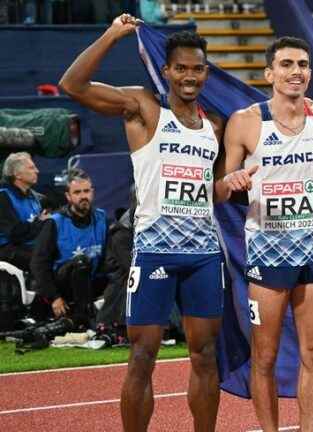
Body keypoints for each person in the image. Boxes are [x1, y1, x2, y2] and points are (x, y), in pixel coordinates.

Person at [59, 15, 225, 432]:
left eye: (198, 69)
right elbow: (72, 86)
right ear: (166, 70)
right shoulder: (143, 108)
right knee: (142, 354)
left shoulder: (215, 126)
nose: (190, 76)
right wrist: (112, 34)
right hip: (154, 251)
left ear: (207, 72)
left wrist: (231, 184)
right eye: (181, 68)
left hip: (204, 255)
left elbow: (214, 189)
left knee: (205, 354)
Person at [215, 36, 313, 432]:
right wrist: (231, 180)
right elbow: (218, 189)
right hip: (267, 254)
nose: (295, 71)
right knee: (264, 357)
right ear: (269, 74)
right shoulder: (246, 121)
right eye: (286, 64)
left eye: (302, 64)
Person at [30, 168, 108, 327]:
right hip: (63, 284)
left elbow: (108, 258)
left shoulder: (101, 218)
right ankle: (83, 320)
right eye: (77, 192)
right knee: (81, 262)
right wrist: (54, 297)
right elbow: (38, 264)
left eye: (86, 191)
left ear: (92, 192)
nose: (83, 196)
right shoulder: (55, 222)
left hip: (91, 281)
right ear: (68, 196)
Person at [0, 152, 48, 271]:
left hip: (30, 245)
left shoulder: (35, 197)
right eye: (31, 168)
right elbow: (15, 233)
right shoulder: (3, 197)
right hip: (8, 249)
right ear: (17, 174)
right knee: (44, 259)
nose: (37, 171)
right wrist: (40, 223)